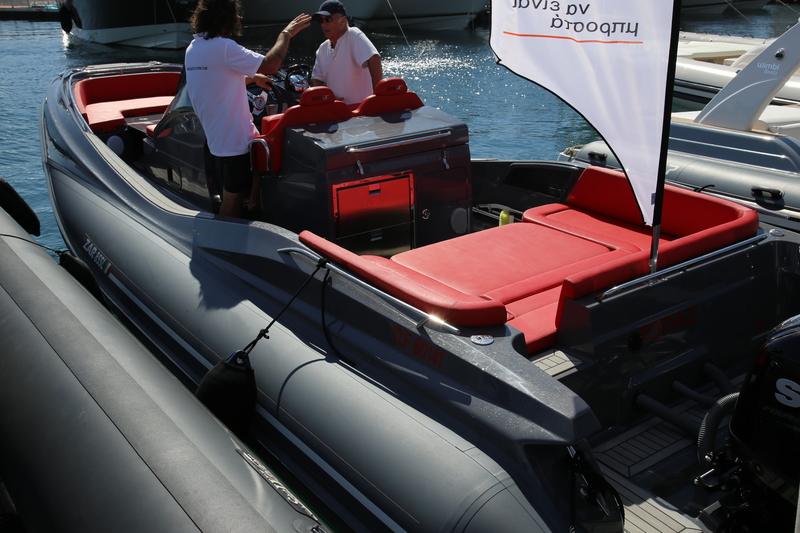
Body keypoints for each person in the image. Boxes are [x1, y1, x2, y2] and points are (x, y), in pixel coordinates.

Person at [185, 0, 311, 218]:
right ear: (224, 18)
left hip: (218, 135)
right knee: (233, 196)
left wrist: (251, 77)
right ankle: (226, 242)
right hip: (234, 138)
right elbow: (272, 64)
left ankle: (254, 207)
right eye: (235, 14)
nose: (239, 19)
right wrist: (286, 34)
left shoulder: (194, 48)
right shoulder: (224, 47)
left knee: (251, 166)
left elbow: (214, 80)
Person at [310, 0, 382, 105]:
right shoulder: (322, 48)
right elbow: (316, 79)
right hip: (336, 110)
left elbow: (374, 58)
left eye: (328, 19)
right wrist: (328, 98)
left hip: (361, 111)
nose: (324, 24)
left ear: (343, 20)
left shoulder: (353, 34)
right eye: (321, 20)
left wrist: (378, 96)